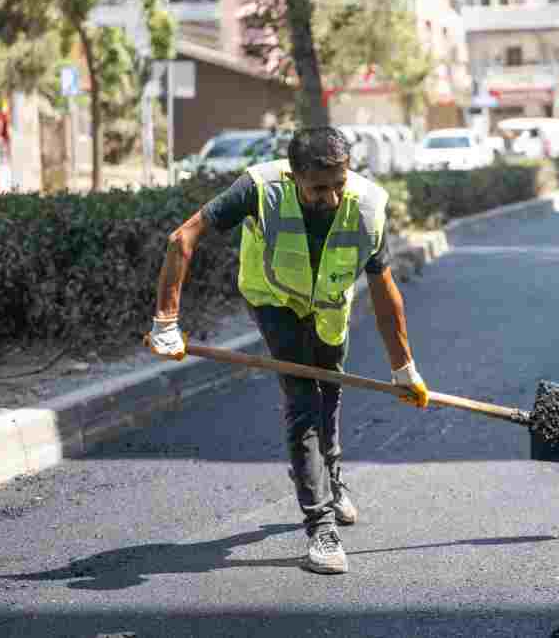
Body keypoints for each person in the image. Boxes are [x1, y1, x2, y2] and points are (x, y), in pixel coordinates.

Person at [145, 126, 430, 575]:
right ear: (294, 175)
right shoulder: (260, 188)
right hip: (273, 298)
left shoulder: (368, 205)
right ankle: (321, 528)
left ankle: (331, 478)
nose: (332, 198)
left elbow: (383, 290)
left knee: (330, 391)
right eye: (318, 189)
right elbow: (183, 237)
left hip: (329, 303)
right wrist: (166, 321)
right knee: (303, 399)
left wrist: (404, 369)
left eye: (339, 184)